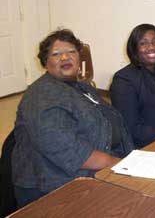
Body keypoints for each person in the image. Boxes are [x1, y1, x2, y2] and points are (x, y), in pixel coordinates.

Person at [12, 29, 133, 208]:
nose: (65, 58)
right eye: (56, 54)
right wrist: (120, 164)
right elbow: (71, 153)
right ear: (45, 62)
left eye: (71, 52)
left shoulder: (79, 87)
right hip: (54, 186)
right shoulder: (41, 97)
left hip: (92, 168)